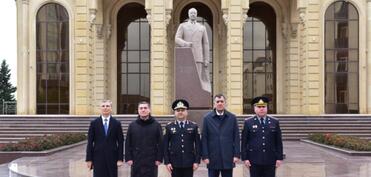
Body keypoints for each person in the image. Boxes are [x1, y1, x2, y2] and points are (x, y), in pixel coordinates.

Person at [241, 96, 283, 177]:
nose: (261, 109)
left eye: (264, 106)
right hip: (254, 160)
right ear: (254, 108)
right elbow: (244, 142)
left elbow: (278, 142)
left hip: (270, 159)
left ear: (267, 108)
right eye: (259, 107)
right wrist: (245, 158)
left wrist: (279, 158)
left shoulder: (275, 122)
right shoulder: (248, 122)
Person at [201, 94, 240, 177]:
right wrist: (205, 156)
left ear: (225, 103)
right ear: (214, 104)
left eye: (222, 101)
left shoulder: (232, 118)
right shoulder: (207, 118)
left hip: (228, 156)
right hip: (212, 157)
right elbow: (204, 138)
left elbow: (236, 137)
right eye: (217, 101)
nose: (220, 103)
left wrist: (236, 155)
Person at [175, 7, 211, 93]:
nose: (193, 14)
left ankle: (197, 93)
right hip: (186, 56)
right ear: (188, 14)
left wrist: (206, 59)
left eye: (194, 13)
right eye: (191, 13)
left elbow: (205, 44)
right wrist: (185, 43)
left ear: (196, 14)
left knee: (198, 79)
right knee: (186, 78)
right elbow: (177, 38)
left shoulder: (202, 27)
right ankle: (186, 92)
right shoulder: (182, 26)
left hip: (198, 56)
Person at [86, 100, 124, 177]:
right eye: (103, 106)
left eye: (107, 106)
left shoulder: (116, 123)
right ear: (100, 108)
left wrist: (120, 159)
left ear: (111, 108)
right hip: (98, 157)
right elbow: (90, 142)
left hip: (112, 157)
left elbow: (120, 142)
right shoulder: (94, 123)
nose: (105, 108)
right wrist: (89, 159)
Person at [163, 99, 201, 177]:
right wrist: (167, 162)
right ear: (175, 112)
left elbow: (198, 145)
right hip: (174, 163)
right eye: (178, 110)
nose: (180, 112)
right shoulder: (169, 127)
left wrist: (197, 161)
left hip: (189, 162)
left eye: (183, 110)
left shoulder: (193, 126)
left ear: (186, 112)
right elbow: (165, 146)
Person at [125, 101, 163, 177]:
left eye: (145, 108)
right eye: (141, 108)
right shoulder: (132, 125)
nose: (143, 110)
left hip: (151, 160)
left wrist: (159, 158)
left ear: (149, 110)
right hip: (136, 160)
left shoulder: (156, 125)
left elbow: (161, 143)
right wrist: (128, 158)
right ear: (138, 110)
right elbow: (128, 143)